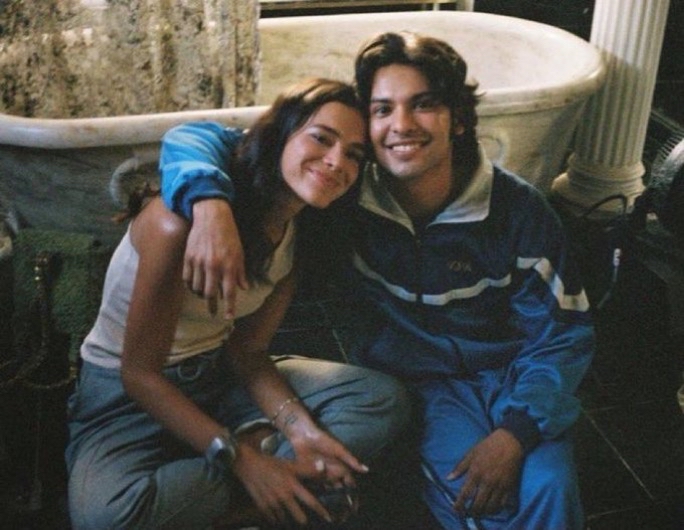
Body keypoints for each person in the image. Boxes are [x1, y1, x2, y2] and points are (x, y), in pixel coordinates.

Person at [159, 32, 596, 530]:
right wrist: (209, 205)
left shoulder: (518, 211)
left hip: (517, 378)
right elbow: (194, 137)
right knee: (486, 503)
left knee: (551, 488)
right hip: (421, 387)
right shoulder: (342, 191)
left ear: (458, 118)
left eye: (423, 105)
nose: (401, 124)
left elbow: (562, 334)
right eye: (382, 109)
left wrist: (516, 433)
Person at [64, 78, 411, 530]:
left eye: (354, 155)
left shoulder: (301, 230)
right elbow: (140, 376)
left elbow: (248, 352)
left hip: (220, 378)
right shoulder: (176, 226)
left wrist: (301, 431)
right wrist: (242, 459)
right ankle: (274, 486)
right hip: (126, 400)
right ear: (280, 135)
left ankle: (264, 480)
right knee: (109, 518)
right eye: (321, 138)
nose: (335, 162)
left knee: (381, 399)